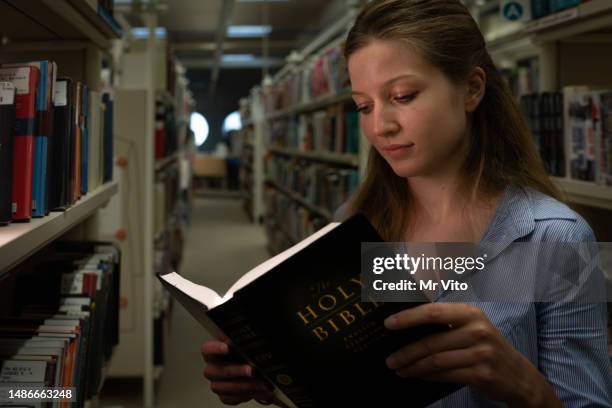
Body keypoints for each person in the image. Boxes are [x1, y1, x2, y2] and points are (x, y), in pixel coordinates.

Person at [200, 0, 612, 406]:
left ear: (471, 89)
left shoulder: (555, 238)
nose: (380, 126)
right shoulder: (357, 225)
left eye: (403, 95)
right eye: (363, 106)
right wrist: (276, 381)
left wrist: (523, 387)